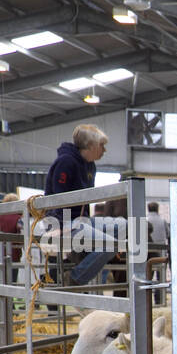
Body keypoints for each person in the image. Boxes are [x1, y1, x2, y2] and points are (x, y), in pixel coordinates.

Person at [44, 123, 114, 287]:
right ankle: (75, 278)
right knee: (110, 244)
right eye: (101, 145)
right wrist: (59, 226)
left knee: (121, 229)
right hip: (62, 221)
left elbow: (85, 200)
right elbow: (58, 197)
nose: (104, 150)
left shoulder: (90, 165)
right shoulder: (66, 162)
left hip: (80, 221)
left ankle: (81, 258)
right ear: (90, 146)